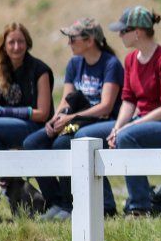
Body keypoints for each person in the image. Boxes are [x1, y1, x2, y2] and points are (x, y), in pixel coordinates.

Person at [80, 6, 161, 217]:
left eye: (123, 31)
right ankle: (104, 206)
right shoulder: (130, 60)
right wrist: (117, 127)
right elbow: (128, 101)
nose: (119, 35)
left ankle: (139, 207)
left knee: (127, 137)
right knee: (84, 136)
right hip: (143, 120)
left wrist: (128, 127)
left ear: (138, 32)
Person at [22, 18, 123, 220]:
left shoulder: (111, 64)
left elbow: (105, 106)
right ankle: (56, 201)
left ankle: (74, 205)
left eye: (73, 38)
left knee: (62, 143)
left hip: (102, 122)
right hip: (76, 121)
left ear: (89, 41)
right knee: (32, 143)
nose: (69, 43)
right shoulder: (74, 63)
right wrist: (55, 120)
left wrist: (70, 118)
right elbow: (66, 99)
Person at [0, 22, 53, 216]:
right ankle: (13, 190)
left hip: (35, 127)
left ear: (27, 43)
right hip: (3, 129)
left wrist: (6, 112)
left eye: (21, 42)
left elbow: (43, 113)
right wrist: (1, 112)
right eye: (11, 42)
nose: (16, 47)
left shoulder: (40, 70)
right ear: (4, 46)